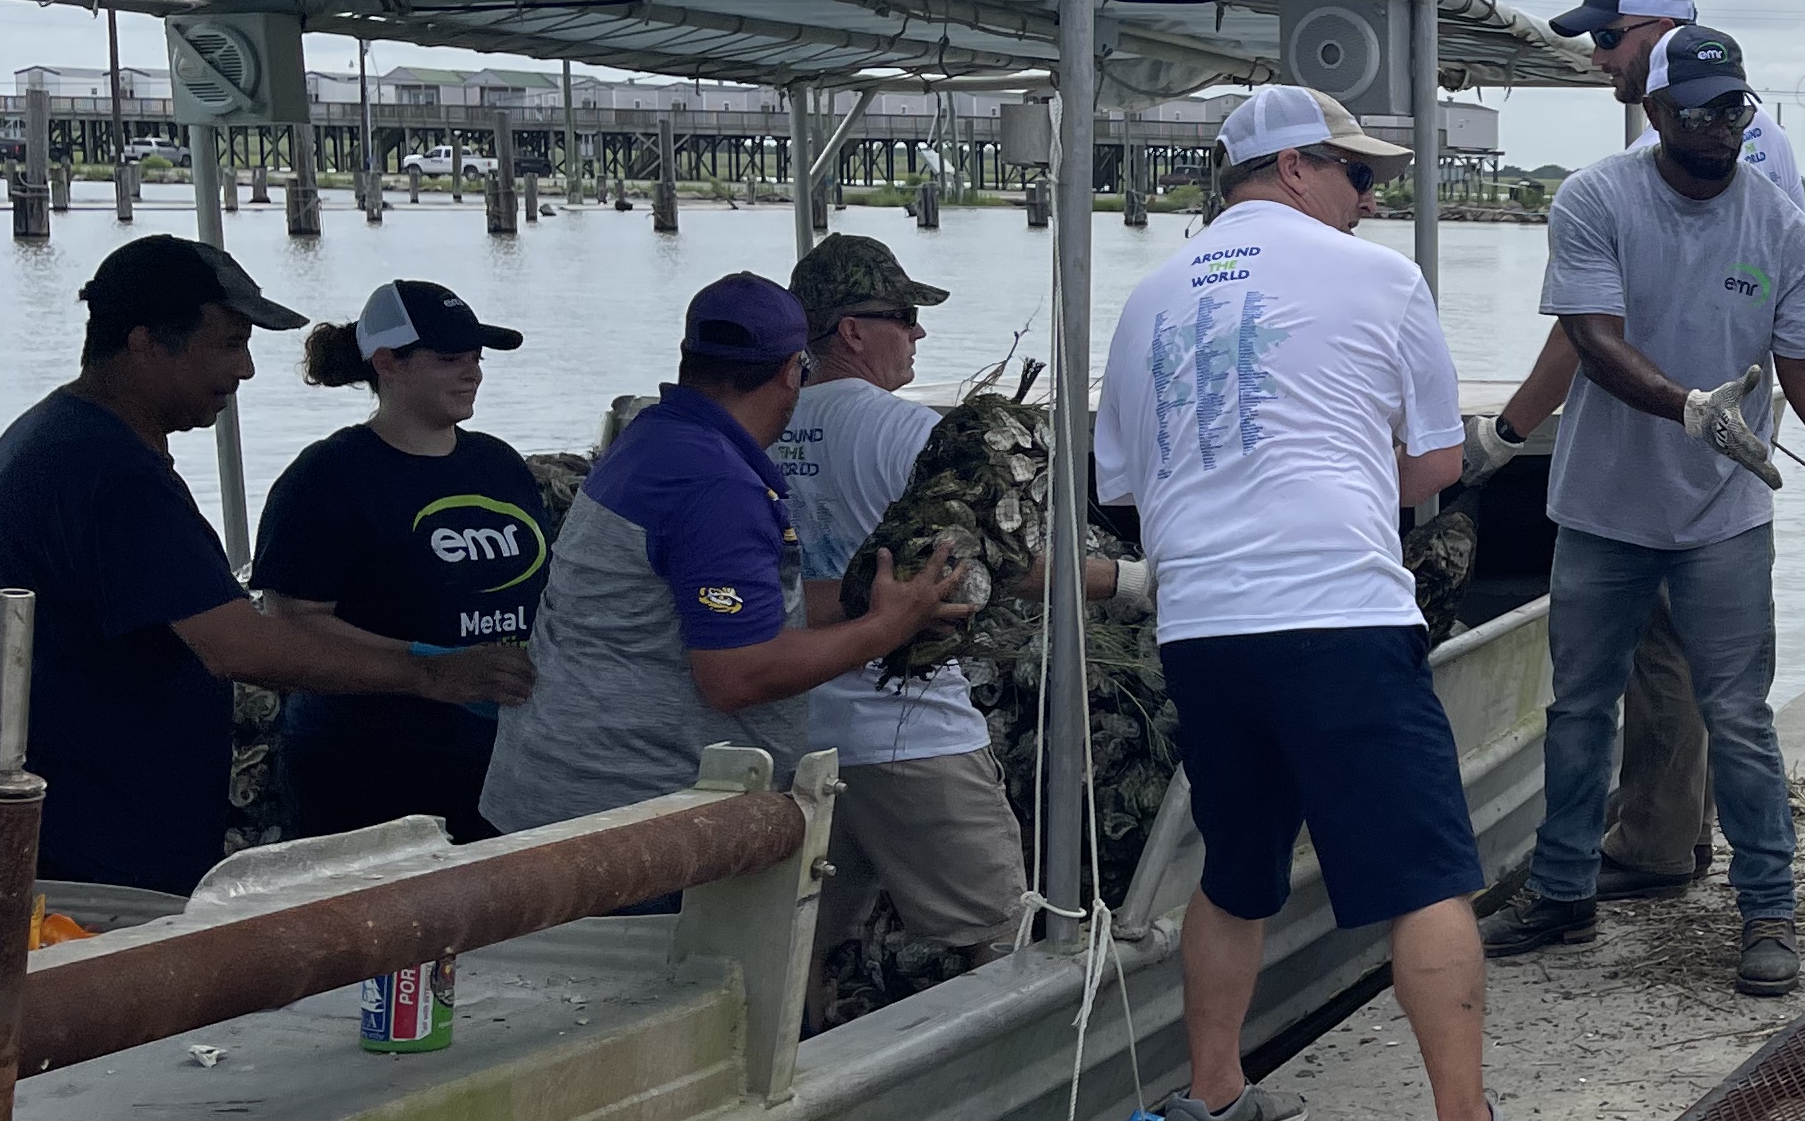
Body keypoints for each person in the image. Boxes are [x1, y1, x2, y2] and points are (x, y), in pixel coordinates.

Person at [1096, 86, 1575, 1121]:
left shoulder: (1149, 298)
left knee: (1237, 863)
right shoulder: (1380, 279)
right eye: (1360, 177)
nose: (1372, 198)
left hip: (1203, 624)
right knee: (1428, 873)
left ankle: (1212, 1099)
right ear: (1295, 169)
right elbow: (1431, 469)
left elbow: (1124, 486)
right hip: (1338, 613)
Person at [1476, 24, 1805, 998]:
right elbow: (1592, 340)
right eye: (1698, 110)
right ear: (1654, 112)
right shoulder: (1595, 201)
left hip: (1725, 519)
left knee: (1737, 715)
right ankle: (1564, 893)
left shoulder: (1782, 229)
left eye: (1735, 107)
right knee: (1578, 708)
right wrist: (1690, 405)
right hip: (1605, 508)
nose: (1720, 126)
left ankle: (1769, 913)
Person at [0, 235, 536, 895]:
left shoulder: (53, 437)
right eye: (230, 345)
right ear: (145, 343)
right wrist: (431, 673)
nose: (247, 372)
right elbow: (238, 644)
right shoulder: (106, 472)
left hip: (91, 828)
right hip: (98, 851)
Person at [775, 233, 1151, 1017]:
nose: (918, 333)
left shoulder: (763, 427)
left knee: (793, 938)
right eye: (904, 316)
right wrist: (1133, 581)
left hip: (787, 723)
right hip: (908, 728)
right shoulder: (905, 433)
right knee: (1000, 933)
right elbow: (1009, 566)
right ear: (851, 330)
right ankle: (1019, 1100)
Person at [480, 273, 966, 836]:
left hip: (562, 793)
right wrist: (888, 627)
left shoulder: (653, 440)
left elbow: (733, 605)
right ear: (793, 372)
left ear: (690, 357)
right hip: (631, 820)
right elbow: (736, 675)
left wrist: (869, 596)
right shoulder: (715, 482)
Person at [252, 279, 556, 844]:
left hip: (505, 761)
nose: (473, 373)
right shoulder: (326, 477)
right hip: (370, 766)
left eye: (476, 358)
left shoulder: (499, 464)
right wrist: (427, 662)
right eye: (448, 359)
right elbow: (290, 623)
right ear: (387, 363)